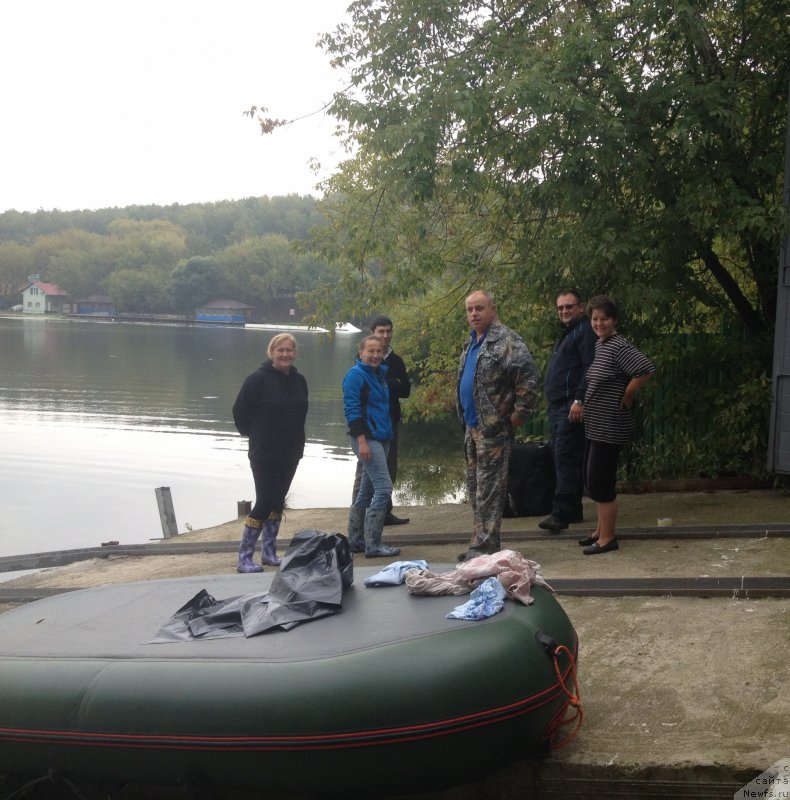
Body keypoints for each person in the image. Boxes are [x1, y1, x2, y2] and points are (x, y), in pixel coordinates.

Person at [456, 290, 540, 561]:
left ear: (493, 309)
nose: (473, 314)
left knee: (490, 492)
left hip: (494, 430)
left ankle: (484, 549)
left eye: (479, 308)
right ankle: (479, 542)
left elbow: (528, 378)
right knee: (476, 490)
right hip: (472, 428)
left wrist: (519, 415)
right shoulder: (473, 342)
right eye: (469, 310)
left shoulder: (506, 340)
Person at [571, 296, 655, 555]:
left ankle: (608, 538)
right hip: (596, 425)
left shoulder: (618, 345)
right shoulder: (601, 345)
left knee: (600, 481)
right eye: (594, 319)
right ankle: (599, 530)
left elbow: (646, 369)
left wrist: (628, 394)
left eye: (603, 319)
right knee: (592, 477)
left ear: (614, 320)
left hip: (611, 426)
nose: (598, 323)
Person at [232, 333, 308, 572]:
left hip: (291, 450)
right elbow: (240, 413)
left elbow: (301, 413)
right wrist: (255, 434)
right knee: (264, 502)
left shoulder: (300, 380)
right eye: (280, 350)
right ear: (271, 352)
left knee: (277, 502)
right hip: (264, 451)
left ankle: (269, 552)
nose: (285, 355)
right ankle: (244, 557)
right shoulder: (256, 380)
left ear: (295, 353)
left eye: (289, 350)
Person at [539, 289, 597, 532]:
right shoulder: (570, 333)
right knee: (566, 459)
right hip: (559, 406)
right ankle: (572, 509)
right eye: (560, 308)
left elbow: (590, 367)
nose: (564, 311)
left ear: (580, 308)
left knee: (564, 458)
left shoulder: (584, 332)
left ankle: (561, 515)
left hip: (571, 406)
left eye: (568, 306)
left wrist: (579, 400)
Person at [343, 335, 402, 558]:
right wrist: (361, 442)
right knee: (384, 488)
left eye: (379, 351)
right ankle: (374, 544)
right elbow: (352, 411)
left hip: (382, 437)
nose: (376, 355)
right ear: (361, 353)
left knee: (366, 491)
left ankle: (356, 540)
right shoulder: (355, 376)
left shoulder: (379, 375)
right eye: (371, 351)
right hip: (367, 439)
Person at [351, 315, 412, 525]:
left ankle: (384, 513)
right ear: (372, 333)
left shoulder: (396, 360)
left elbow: (405, 390)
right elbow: (361, 393)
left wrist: (386, 385)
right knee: (365, 472)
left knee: (390, 467)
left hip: (391, 421)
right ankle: (360, 518)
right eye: (381, 331)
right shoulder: (362, 359)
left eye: (388, 331)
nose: (385, 336)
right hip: (369, 426)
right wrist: (388, 384)